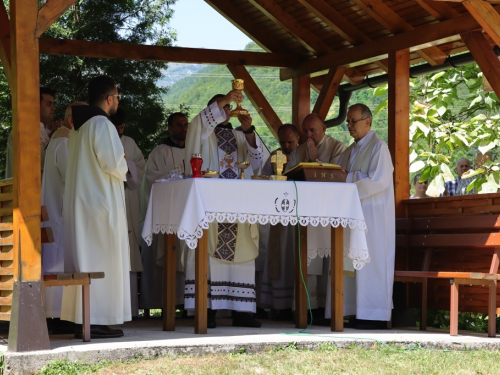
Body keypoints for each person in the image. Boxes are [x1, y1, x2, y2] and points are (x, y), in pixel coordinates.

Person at [183, 91, 264, 328]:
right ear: (212, 112)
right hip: (211, 205)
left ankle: (243, 311)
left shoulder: (239, 135)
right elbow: (202, 120)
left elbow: (258, 161)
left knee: (242, 255)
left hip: (238, 205)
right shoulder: (201, 130)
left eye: (229, 107)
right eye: (223, 107)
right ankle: (206, 310)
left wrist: (249, 131)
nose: (227, 111)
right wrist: (228, 96)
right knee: (208, 258)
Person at [60, 76, 130, 338]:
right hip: (99, 204)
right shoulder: (101, 123)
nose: (117, 103)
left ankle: (84, 319)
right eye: (117, 98)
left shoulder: (78, 127)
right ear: (110, 97)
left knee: (85, 258)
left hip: (84, 203)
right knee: (100, 258)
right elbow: (114, 164)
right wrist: (123, 160)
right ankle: (96, 319)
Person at [332, 103, 395, 329]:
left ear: (367, 122)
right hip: (353, 215)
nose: (349, 125)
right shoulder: (349, 150)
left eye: (353, 121)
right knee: (352, 264)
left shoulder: (379, 147)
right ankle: (353, 311)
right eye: (347, 121)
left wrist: (349, 177)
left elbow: (379, 180)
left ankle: (374, 315)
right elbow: (337, 173)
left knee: (371, 263)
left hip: (373, 217)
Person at [284, 114, 346, 319]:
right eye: (306, 131)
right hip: (305, 213)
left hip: (328, 214)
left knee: (327, 260)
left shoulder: (338, 147)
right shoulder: (298, 150)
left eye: (313, 130)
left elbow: (338, 177)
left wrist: (314, 161)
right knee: (307, 260)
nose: (309, 135)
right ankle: (308, 307)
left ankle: (325, 308)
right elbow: (287, 175)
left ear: (324, 128)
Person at [42, 102, 86, 333]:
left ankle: (59, 314)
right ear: (72, 121)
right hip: (60, 212)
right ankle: (58, 316)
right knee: (58, 260)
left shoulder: (63, 140)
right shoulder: (64, 141)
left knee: (58, 259)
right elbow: (73, 176)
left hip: (58, 210)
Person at [139, 112, 189, 313]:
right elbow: (150, 179)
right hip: (166, 214)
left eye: (186, 125)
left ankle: (188, 305)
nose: (183, 128)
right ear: (169, 128)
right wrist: (175, 177)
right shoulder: (159, 152)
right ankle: (164, 305)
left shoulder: (195, 150)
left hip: (187, 214)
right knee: (165, 259)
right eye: (179, 125)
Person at [257, 124, 299, 320]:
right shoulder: (275, 155)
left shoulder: (303, 155)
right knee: (277, 258)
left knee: (292, 257)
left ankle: (293, 304)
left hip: (297, 218)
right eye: (282, 141)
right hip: (278, 216)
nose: (286, 145)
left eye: (290, 141)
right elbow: (265, 178)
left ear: (297, 138)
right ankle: (276, 304)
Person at [110, 108, 146, 318]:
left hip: (127, 196)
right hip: (111, 196)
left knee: (129, 247)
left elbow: (140, 168)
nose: (120, 131)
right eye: (117, 127)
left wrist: (128, 165)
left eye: (122, 127)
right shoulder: (103, 139)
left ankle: (130, 309)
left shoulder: (130, 143)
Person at [5, 87, 62, 178]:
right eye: (49, 104)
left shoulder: (42, 130)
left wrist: (52, 136)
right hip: (26, 191)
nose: (53, 108)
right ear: (35, 105)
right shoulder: (24, 129)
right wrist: (57, 138)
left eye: (53, 104)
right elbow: (40, 161)